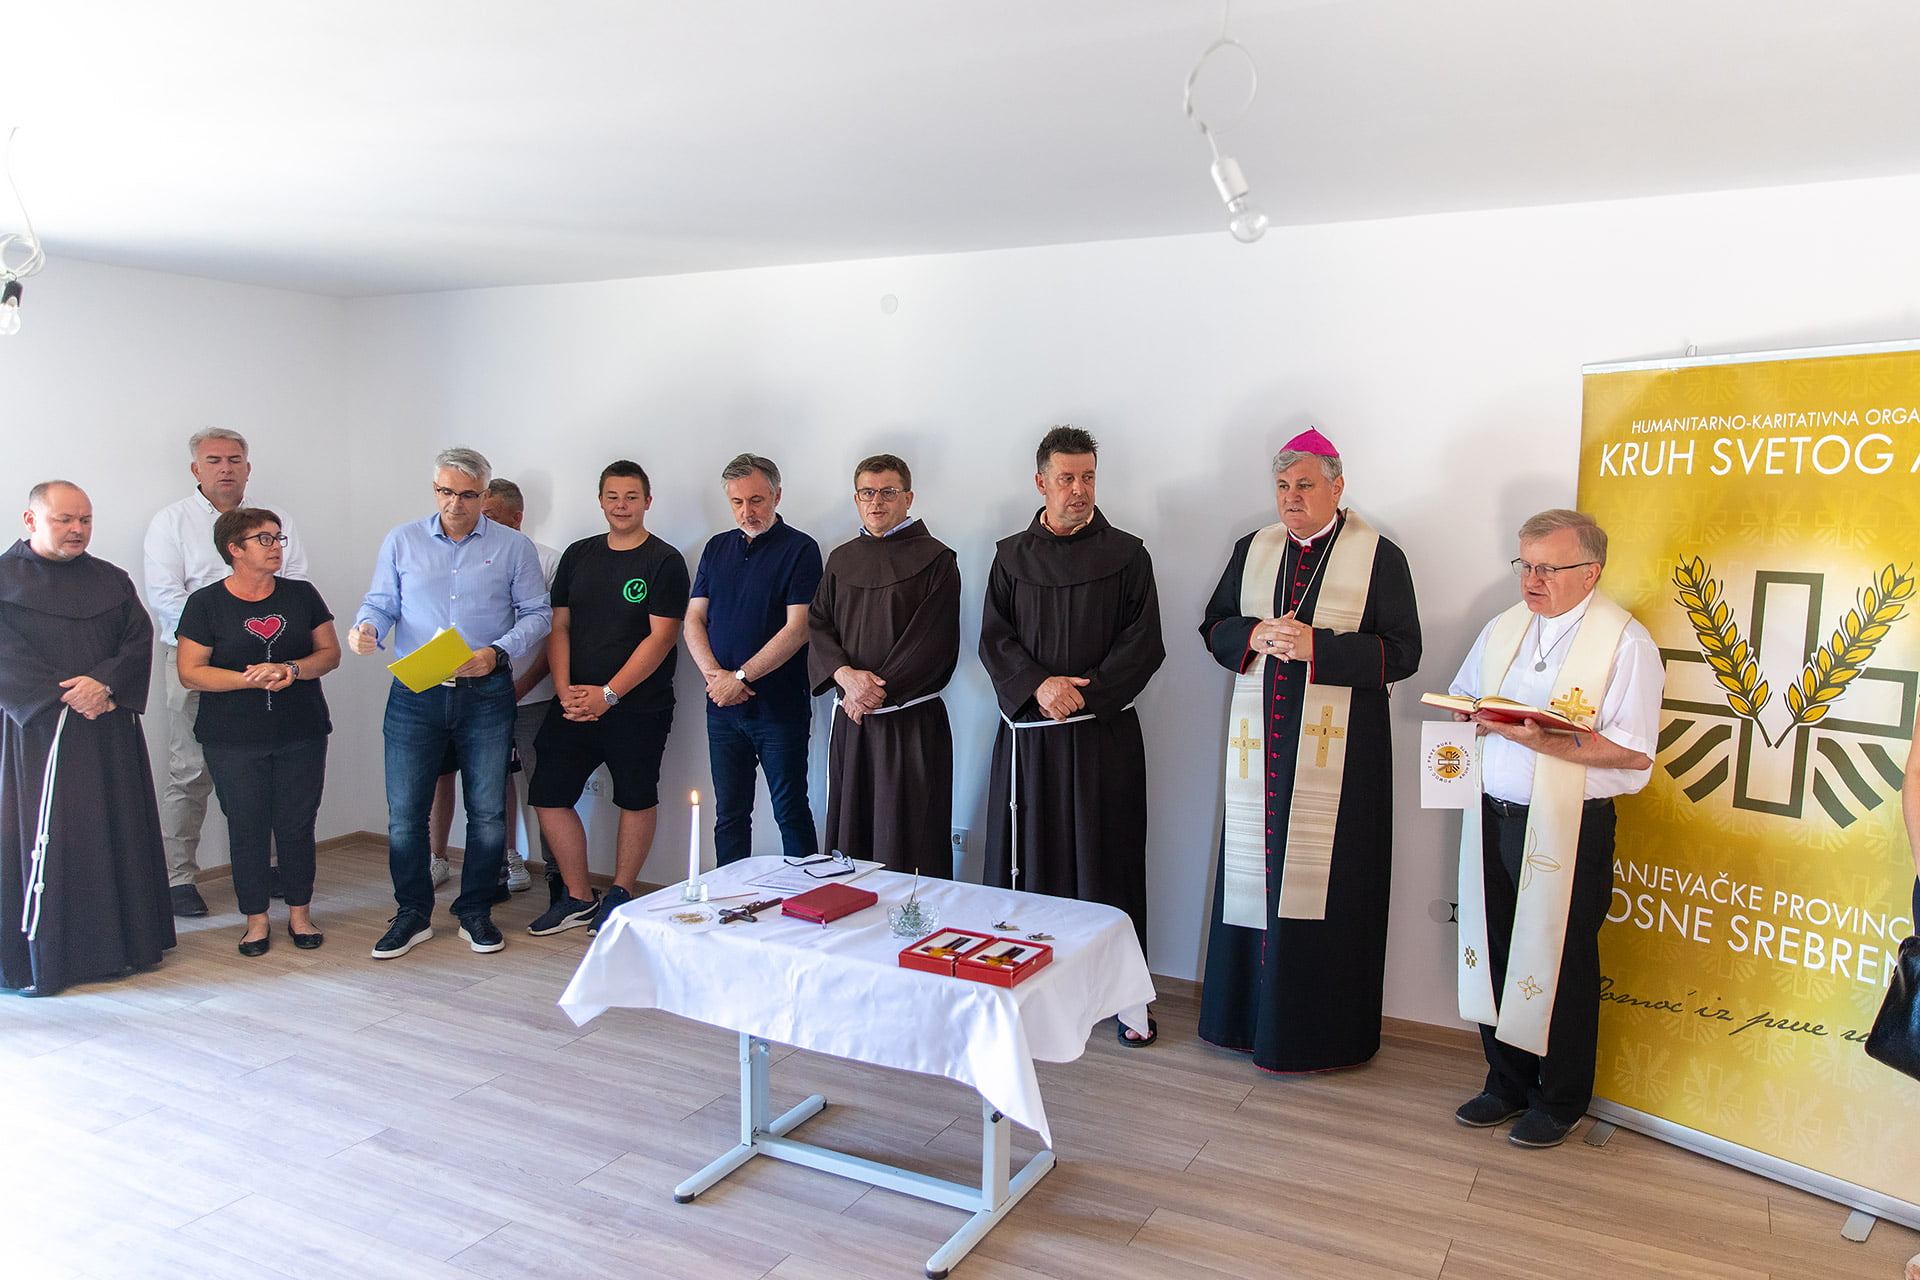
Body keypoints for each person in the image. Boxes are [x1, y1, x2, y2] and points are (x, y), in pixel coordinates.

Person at [1196, 429, 1422, 1072]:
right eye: (1283, 486)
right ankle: (1241, 1022)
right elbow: (1214, 626)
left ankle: (1320, 1036)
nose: (1291, 497)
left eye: (1305, 485)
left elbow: (1404, 653)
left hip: (1342, 763)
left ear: (1337, 487)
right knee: (1253, 879)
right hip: (1262, 754)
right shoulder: (1253, 549)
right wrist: (1253, 635)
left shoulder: (1380, 557)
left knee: (1330, 891)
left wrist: (1317, 645)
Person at [1448, 508, 1663, 1148]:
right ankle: (1506, 1084)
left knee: (1561, 962)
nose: (1531, 580)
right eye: (1526, 564)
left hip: (1569, 827)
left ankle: (1561, 1098)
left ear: (1590, 572)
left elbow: (1635, 753)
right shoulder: (1504, 627)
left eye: (1548, 568)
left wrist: (1543, 741)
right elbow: (1465, 694)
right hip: (1492, 815)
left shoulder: (1625, 643)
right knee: (1495, 948)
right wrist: (1467, 714)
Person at [979, 426, 1164, 1041]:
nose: (1079, 489)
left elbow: (1144, 644)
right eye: (1066, 478)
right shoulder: (1010, 557)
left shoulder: (1129, 555)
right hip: (1030, 739)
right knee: (1030, 860)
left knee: (1107, 860)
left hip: (1100, 738)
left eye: (1087, 477)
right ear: (1041, 483)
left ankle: (1125, 1000)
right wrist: (1039, 686)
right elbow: (994, 640)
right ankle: (1023, 989)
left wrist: (1080, 694)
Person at [348, 448, 550, 960]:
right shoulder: (402, 540)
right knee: (405, 814)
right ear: (434, 489)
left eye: (466, 494)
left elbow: (537, 614)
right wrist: (367, 627)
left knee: (487, 812)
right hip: (416, 691)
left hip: (486, 692)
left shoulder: (514, 546)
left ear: (484, 495)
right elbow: (381, 602)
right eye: (445, 491)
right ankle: (412, 913)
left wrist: (496, 653)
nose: (454, 503)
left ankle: (475, 911)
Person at [0, 482, 174, 995]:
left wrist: (105, 685)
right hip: (38, 735)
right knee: (51, 839)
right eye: (64, 520)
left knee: (114, 829)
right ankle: (48, 957)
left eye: (85, 520)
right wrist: (66, 696)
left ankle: (122, 949)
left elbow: (137, 640)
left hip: (107, 728)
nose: (77, 530)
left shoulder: (111, 579)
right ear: (31, 520)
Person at [142, 428, 309, 917]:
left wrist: (261, 647)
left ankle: (271, 868)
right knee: (190, 769)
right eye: (214, 460)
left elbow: (295, 584)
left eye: (235, 459)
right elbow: (166, 597)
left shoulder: (275, 521)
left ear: (248, 467)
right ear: (196, 469)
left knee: (270, 766)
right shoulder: (171, 522)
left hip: (269, 657)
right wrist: (225, 640)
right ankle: (177, 878)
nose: (225, 468)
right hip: (195, 660)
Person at [528, 460, 689, 936]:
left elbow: (661, 637)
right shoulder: (578, 555)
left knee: (635, 798)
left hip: (638, 706)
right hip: (574, 702)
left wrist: (610, 694)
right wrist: (564, 690)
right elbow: (559, 626)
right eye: (613, 497)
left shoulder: (664, 561)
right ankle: (579, 897)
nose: (622, 506)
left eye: (631, 497)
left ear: (647, 502)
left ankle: (620, 893)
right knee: (548, 795)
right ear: (600, 501)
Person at [175, 509, 339, 955]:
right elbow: (191, 672)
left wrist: (291, 669)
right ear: (234, 549)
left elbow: (329, 654)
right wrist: (252, 678)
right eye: (263, 539)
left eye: (277, 538)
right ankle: (256, 920)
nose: (275, 546)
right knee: (246, 827)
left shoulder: (302, 594)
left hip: (301, 732)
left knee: (297, 824)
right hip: (231, 739)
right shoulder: (205, 604)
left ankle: (301, 915)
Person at [808, 453, 961, 875]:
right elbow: (818, 624)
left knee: (907, 837)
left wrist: (870, 692)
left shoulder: (936, 559)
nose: (877, 501)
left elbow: (931, 640)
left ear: (908, 498)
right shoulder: (841, 559)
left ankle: (911, 913)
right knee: (851, 834)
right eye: (867, 493)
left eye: (888, 492)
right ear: (856, 499)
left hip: (907, 724)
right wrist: (845, 677)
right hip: (853, 722)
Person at [684, 454, 822, 865]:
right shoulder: (716, 547)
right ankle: (730, 898)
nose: (747, 511)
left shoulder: (801, 549)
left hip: (779, 709)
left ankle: (806, 898)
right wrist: (716, 678)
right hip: (722, 708)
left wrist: (741, 676)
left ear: (777, 496)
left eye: (757, 500)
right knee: (729, 816)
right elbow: (693, 618)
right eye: (737, 502)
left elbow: (799, 629)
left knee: (790, 812)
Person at [426, 478, 561, 899]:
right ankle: (500, 864)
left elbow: (553, 634)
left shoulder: (547, 560)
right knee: (488, 783)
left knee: (545, 785)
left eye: (492, 515)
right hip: (474, 694)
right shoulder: (460, 556)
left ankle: (557, 875)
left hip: (532, 696)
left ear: (517, 518)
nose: (478, 520)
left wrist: (521, 685)